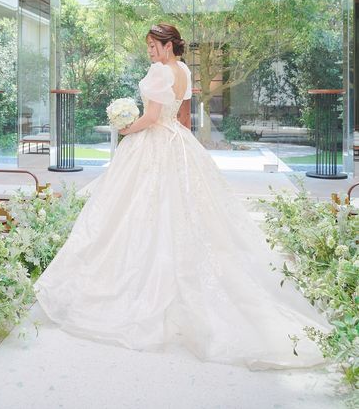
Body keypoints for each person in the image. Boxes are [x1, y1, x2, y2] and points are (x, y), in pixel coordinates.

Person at [35, 23, 329, 370]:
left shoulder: (161, 71)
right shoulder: (184, 71)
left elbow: (152, 117)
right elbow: (182, 115)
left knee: (139, 210)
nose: (150, 51)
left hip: (153, 142)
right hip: (177, 141)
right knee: (177, 210)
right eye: (148, 46)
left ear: (168, 45)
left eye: (153, 45)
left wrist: (127, 128)